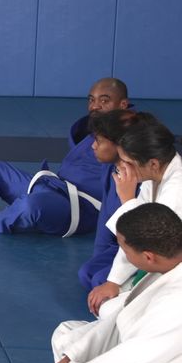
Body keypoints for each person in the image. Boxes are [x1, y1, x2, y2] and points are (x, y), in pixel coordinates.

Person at [32, 202, 182, 363]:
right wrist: (69, 359)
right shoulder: (168, 267)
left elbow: (137, 355)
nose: (124, 256)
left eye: (125, 251)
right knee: (66, 335)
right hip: (148, 356)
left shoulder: (176, 305)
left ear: (148, 257)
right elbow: (119, 320)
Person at [0, 78, 129, 236]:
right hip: (54, 188)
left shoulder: (128, 137)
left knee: (31, 205)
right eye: (91, 100)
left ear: (123, 104)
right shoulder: (94, 129)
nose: (95, 106)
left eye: (104, 100)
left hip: (79, 208)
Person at [87, 114, 182, 315]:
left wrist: (127, 200)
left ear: (153, 163)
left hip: (170, 268)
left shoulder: (176, 190)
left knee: (109, 309)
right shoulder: (154, 175)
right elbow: (132, 243)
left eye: (127, 162)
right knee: (95, 280)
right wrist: (113, 281)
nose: (122, 167)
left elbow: (148, 239)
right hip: (152, 258)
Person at [78, 110, 140, 296]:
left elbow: (142, 235)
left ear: (119, 145)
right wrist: (99, 256)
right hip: (119, 246)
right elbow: (105, 216)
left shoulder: (142, 180)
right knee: (87, 273)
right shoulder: (109, 169)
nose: (93, 146)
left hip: (143, 248)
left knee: (101, 280)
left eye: (99, 141)